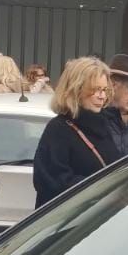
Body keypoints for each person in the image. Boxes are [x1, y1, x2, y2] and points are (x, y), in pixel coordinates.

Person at [33, 57, 119, 209]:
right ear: (76, 89)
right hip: (70, 223)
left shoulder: (104, 124)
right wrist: (99, 188)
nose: (102, 96)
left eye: (104, 90)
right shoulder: (58, 129)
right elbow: (52, 182)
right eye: (95, 89)